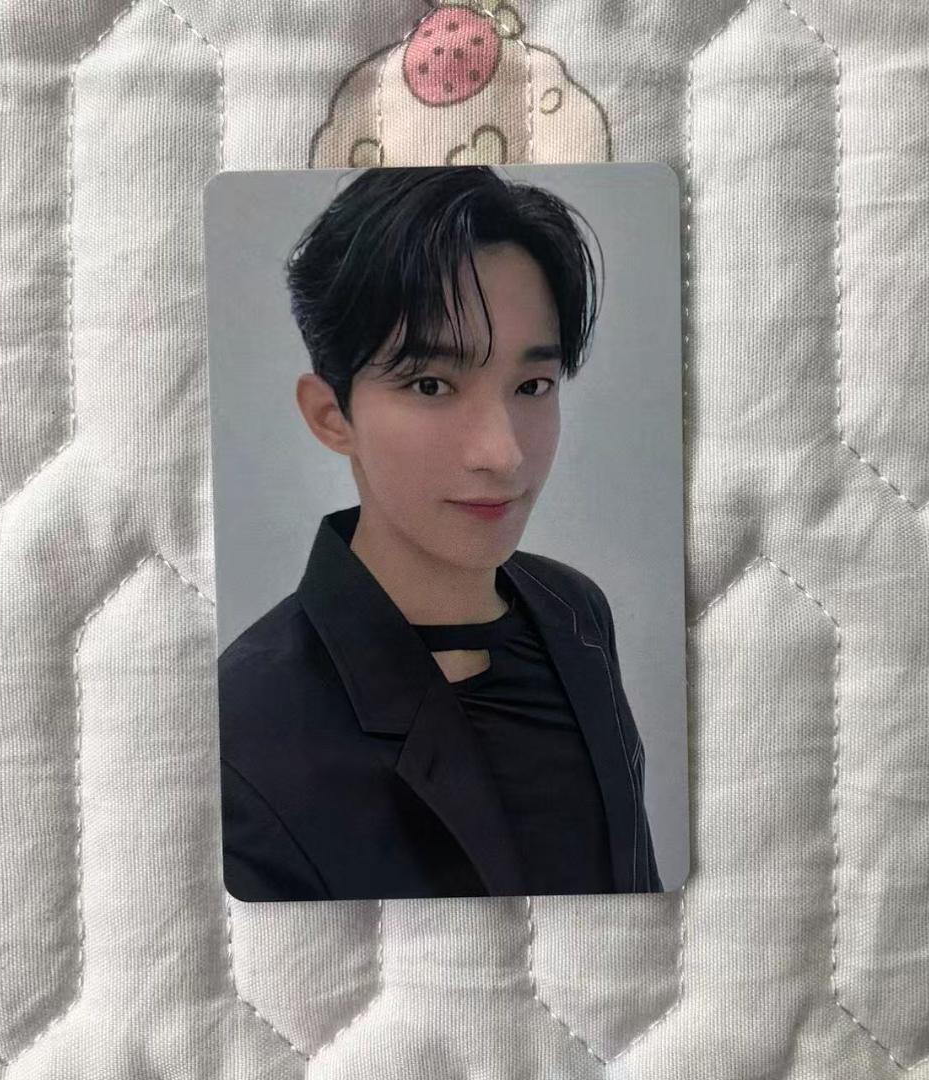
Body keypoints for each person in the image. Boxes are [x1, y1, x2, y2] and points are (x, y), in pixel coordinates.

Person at [219, 165, 662, 900]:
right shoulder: (246, 728)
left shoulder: (576, 610)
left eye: (532, 386)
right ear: (332, 415)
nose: (504, 453)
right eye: (431, 385)